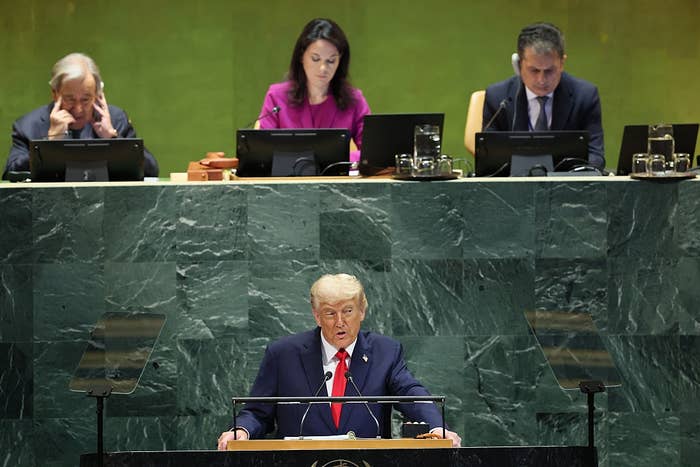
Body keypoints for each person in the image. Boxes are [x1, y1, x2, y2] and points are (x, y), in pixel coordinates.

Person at [217, 273, 461, 450]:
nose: (340, 322)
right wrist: (241, 431)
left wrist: (435, 426)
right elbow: (258, 412)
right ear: (316, 315)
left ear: (362, 311)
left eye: (348, 311)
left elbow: (411, 393)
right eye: (330, 313)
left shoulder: (385, 352)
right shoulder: (283, 354)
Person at [3, 52, 158, 179]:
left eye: (85, 99)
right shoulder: (28, 125)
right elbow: (11, 174)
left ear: (98, 95)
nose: (78, 109)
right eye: (70, 99)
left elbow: (151, 170)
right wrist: (49, 142)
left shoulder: (116, 119)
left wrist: (113, 139)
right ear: (55, 94)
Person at [482, 22, 605, 169]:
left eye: (549, 71)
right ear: (519, 64)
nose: (541, 80)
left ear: (562, 63)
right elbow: (488, 157)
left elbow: (595, 155)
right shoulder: (497, 98)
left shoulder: (585, 96)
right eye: (534, 70)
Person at [256, 18, 370, 163]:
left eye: (331, 61)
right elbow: (262, 153)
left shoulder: (354, 99)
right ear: (301, 57)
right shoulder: (276, 97)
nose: (323, 68)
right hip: (289, 183)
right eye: (316, 59)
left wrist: (332, 159)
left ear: (340, 61)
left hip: (337, 183)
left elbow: (371, 152)